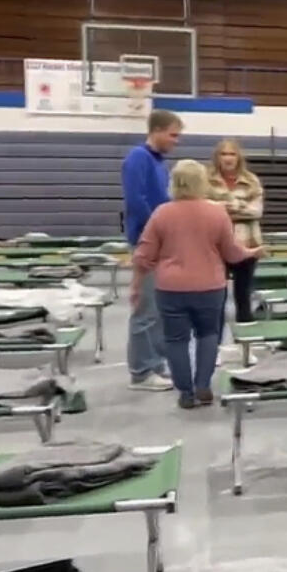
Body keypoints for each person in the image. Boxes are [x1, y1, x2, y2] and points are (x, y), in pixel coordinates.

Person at [131, 160, 264, 409]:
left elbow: (143, 256)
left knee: (176, 340)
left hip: (170, 288)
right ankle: (203, 384)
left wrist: (137, 286)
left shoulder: (161, 213)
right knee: (208, 335)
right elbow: (232, 253)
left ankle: (185, 392)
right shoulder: (217, 212)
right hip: (210, 286)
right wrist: (252, 252)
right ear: (202, 183)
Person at [120, 109, 182, 392]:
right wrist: (156, 231)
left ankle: (154, 363)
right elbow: (136, 200)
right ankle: (141, 372)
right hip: (147, 241)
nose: (176, 141)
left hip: (162, 242)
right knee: (145, 308)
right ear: (156, 130)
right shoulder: (138, 158)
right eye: (173, 134)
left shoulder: (160, 163)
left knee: (157, 309)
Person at [207, 138, 264, 324]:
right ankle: (213, 338)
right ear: (217, 157)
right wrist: (236, 207)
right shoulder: (206, 180)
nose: (228, 158)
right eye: (224, 154)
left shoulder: (251, 181)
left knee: (243, 296)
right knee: (216, 295)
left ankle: (246, 339)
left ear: (239, 157)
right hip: (216, 245)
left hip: (247, 244)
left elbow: (256, 211)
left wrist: (226, 207)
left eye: (232, 154)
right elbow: (201, 209)